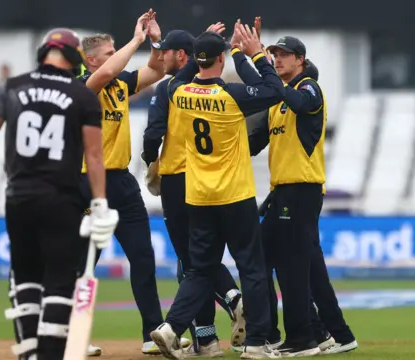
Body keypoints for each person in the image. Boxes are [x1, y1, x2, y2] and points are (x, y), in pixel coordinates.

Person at [0, 28, 120, 360]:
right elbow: (94, 156)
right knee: (59, 280)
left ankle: (28, 353)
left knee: (24, 277)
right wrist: (99, 203)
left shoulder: (12, 87)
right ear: (73, 58)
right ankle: (49, 354)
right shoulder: (83, 96)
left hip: (19, 197)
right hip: (61, 199)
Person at [149, 21, 286, 360]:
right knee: (251, 268)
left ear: (196, 59)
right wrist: (249, 53)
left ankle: (170, 328)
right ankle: (255, 344)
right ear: (221, 60)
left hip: (198, 197)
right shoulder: (230, 95)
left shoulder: (177, 93)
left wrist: (203, 48)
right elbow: (271, 89)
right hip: (234, 195)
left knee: (199, 269)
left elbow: (183, 75)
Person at [76, 10, 190, 356]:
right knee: (83, 267)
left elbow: (156, 70)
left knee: (143, 257)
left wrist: (156, 40)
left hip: (122, 182)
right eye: (109, 53)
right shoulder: (82, 84)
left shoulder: (118, 84)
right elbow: (108, 71)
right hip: (87, 183)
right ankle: (75, 339)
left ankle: (152, 333)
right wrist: (136, 40)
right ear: (90, 59)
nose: (114, 60)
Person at [242, 33, 358, 356]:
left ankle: (302, 339)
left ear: (300, 60)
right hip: (281, 192)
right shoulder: (279, 102)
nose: (278, 59)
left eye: (284, 55)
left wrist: (260, 62)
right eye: (274, 54)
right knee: (295, 265)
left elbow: (299, 102)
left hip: (302, 192)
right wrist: (243, 56)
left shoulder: (308, 88)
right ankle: (334, 333)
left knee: (293, 268)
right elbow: (254, 142)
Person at [141, 28, 244, 356]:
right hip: (210, 178)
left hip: (177, 179)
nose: (160, 58)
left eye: (164, 52)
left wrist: (151, 164)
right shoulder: (207, 88)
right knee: (195, 261)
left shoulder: (172, 89)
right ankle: (207, 339)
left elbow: (152, 134)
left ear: (182, 55)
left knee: (193, 261)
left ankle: (231, 301)